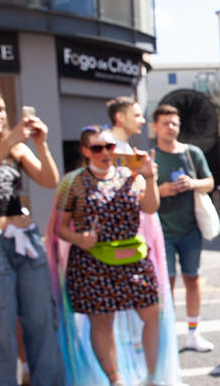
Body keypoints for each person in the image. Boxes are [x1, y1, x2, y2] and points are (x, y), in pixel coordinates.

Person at [53, 126, 166, 386]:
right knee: (102, 321)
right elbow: (59, 227)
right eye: (97, 148)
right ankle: (115, 380)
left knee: (152, 313)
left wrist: (149, 178)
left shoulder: (130, 175)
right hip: (93, 261)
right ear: (85, 151)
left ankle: (152, 377)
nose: (105, 153)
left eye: (109, 147)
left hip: (133, 258)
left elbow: (150, 208)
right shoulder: (72, 182)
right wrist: (79, 239)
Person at [0, 83, 64, 385]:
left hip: (26, 241)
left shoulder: (16, 147)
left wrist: (42, 144)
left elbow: (49, 181)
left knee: (41, 321)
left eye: (0, 109)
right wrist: (8, 139)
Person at [151, 104, 216, 352]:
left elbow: (210, 182)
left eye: (175, 123)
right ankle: (165, 334)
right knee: (165, 283)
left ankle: (193, 333)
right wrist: (160, 191)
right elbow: (139, 195)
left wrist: (192, 183)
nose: (171, 128)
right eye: (166, 123)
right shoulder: (151, 156)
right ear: (155, 126)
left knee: (193, 279)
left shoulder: (192, 153)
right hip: (162, 231)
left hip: (191, 229)